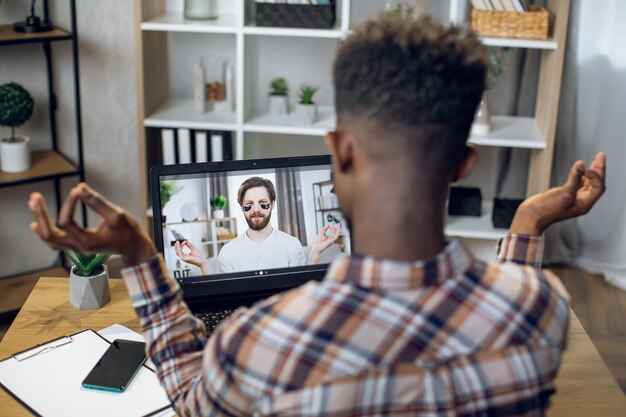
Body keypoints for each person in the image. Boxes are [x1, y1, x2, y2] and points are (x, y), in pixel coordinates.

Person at [27, 14, 606, 417]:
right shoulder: (542, 309)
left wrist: (143, 258)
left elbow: (191, 397)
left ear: (340, 153)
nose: (254, 211)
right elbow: (509, 290)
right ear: (464, 164)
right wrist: (526, 222)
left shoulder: (262, 343)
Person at [173, 176, 341, 274]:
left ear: (273, 204)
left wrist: (315, 252)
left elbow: (302, 293)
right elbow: (225, 297)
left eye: (263, 204)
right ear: (241, 207)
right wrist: (204, 264)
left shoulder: (291, 244)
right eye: (249, 205)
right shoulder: (228, 252)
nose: (256, 210)